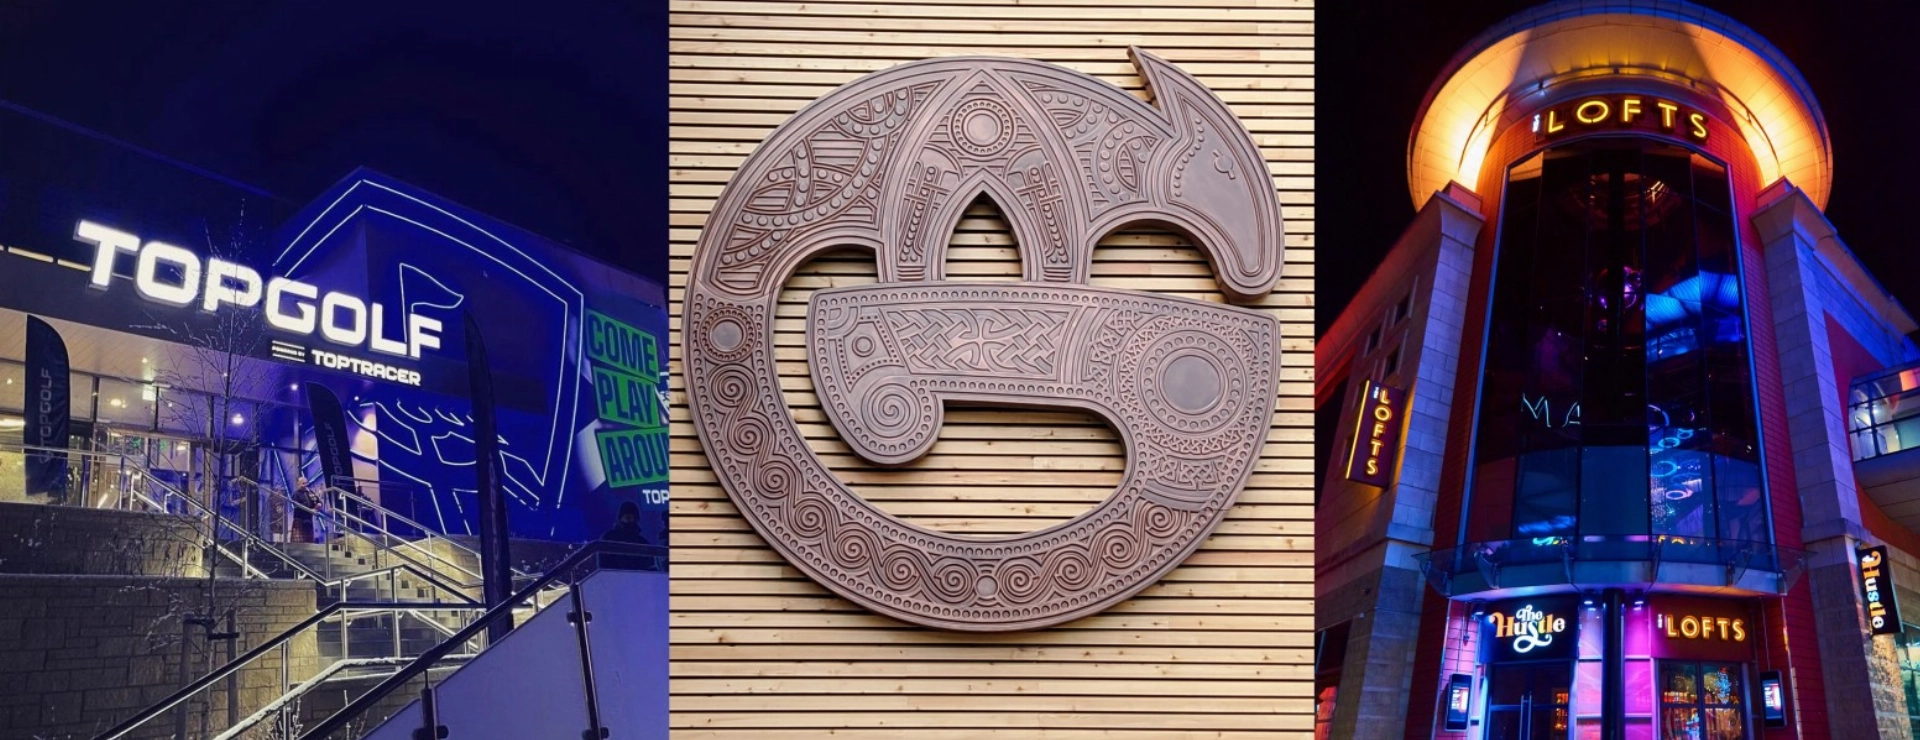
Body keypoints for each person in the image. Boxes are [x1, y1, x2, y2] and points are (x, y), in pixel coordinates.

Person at [291, 477, 319, 543]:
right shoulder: (296, 494)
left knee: (309, 540)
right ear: (298, 483)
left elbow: (317, 501)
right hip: (299, 518)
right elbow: (297, 505)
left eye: (305, 482)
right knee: (299, 541)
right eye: (302, 482)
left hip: (309, 518)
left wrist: (318, 505)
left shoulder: (310, 492)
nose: (304, 483)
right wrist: (311, 509)